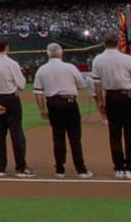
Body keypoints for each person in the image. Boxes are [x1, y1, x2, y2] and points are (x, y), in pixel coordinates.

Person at [32, 43, 93, 179]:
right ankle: (81, 169)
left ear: (48, 54)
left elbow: (37, 92)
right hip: (69, 102)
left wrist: (42, 109)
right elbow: (82, 85)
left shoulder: (42, 69)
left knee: (58, 137)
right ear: (61, 53)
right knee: (75, 138)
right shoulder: (70, 67)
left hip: (52, 104)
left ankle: (60, 169)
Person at [90, 32, 131, 179]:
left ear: (104, 43)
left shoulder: (98, 59)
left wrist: (100, 101)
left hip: (111, 96)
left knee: (114, 134)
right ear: (118, 43)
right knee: (130, 134)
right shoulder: (126, 58)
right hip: (127, 96)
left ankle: (119, 168)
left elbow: (97, 83)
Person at [0, 38, 33, 177]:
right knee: (17, 133)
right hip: (11, 99)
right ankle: (21, 167)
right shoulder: (12, 63)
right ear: (6, 47)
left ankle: (1, 167)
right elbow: (22, 85)